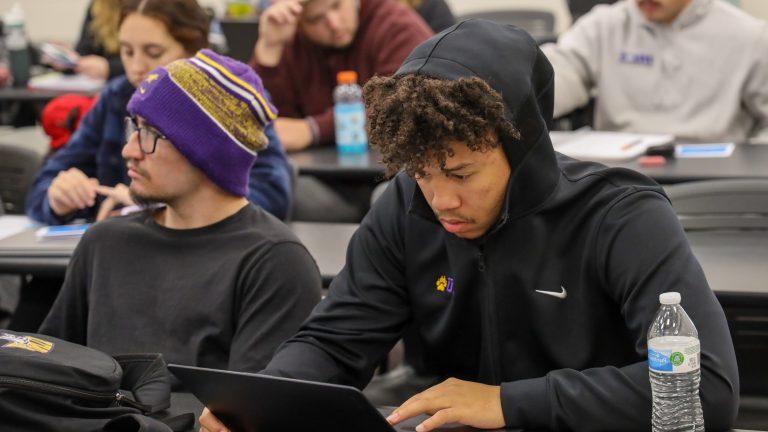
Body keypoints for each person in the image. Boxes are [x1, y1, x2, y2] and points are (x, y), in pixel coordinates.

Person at [201, 20, 739, 431]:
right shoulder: (403, 206)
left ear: (522, 147)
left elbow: (705, 387)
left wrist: (506, 402)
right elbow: (335, 342)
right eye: (421, 172)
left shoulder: (622, 217)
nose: (440, 199)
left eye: (461, 173)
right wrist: (258, 402)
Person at [39, 49, 322, 374]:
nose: (129, 150)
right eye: (134, 128)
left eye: (149, 134)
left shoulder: (274, 263)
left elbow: (249, 414)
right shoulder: (104, 242)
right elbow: (49, 374)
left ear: (205, 151)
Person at [25, 0, 292, 226]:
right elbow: (44, 187)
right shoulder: (115, 97)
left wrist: (164, 212)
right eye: (126, 52)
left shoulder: (231, 102)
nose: (137, 67)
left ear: (194, 50)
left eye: (153, 52)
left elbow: (272, 196)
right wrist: (60, 198)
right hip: (126, 254)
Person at [541, 0, 768, 143]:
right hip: (622, 176)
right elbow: (555, 76)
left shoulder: (750, 36)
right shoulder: (603, 25)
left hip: (714, 176)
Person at [252, 0, 432, 151]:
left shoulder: (397, 25)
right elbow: (263, 122)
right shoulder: (292, 38)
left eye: (337, 5)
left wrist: (313, 130)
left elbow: (405, 104)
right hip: (321, 171)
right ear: (299, 22)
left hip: (398, 174)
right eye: (315, 19)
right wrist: (270, 48)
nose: (334, 23)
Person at [74, 0, 124, 80]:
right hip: (99, 83)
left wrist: (109, 68)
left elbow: (145, 63)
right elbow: (83, 51)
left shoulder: (143, 6)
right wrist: (70, 62)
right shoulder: (99, 5)